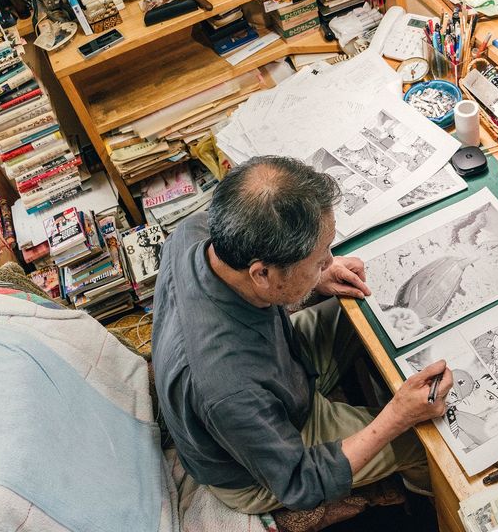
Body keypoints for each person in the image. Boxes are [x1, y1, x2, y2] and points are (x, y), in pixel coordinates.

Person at [152, 155, 453, 513]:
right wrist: (398, 416)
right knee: (425, 443)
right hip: (263, 462)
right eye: (319, 258)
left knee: (372, 314)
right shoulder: (228, 387)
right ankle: (422, 500)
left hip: (282, 363)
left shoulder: (196, 231)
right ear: (262, 274)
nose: (330, 260)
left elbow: (291, 281)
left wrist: (315, 277)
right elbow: (299, 482)